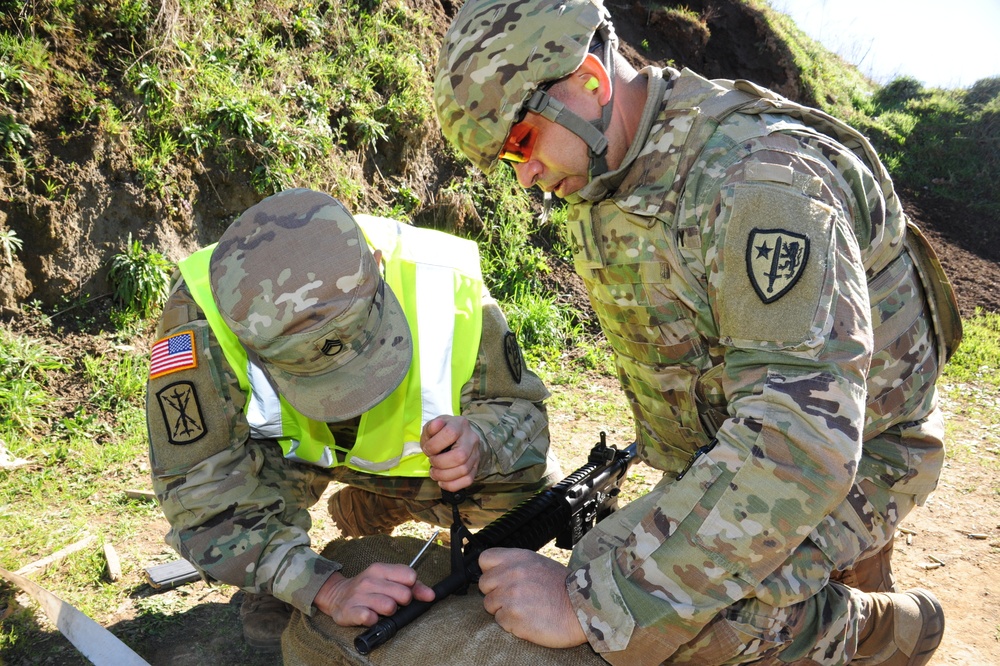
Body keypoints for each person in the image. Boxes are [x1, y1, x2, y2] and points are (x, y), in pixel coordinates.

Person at [433, 1, 963, 664]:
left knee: (666, 626)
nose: (524, 174)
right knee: (601, 565)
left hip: (862, 447)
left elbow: (802, 442)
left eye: (520, 142)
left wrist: (597, 603)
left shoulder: (760, 179)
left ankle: (886, 632)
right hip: (742, 444)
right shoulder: (603, 171)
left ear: (590, 83)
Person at [145, 187, 561, 650]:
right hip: (288, 461)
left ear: (378, 267)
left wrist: (481, 442)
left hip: (416, 462)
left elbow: (523, 412)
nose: (348, 401)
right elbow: (196, 496)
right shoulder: (200, 317)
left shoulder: (444, 281)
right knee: (240, 515)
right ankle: (275, 575)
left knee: (530, 489)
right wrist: (321, 587)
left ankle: (385, 502)